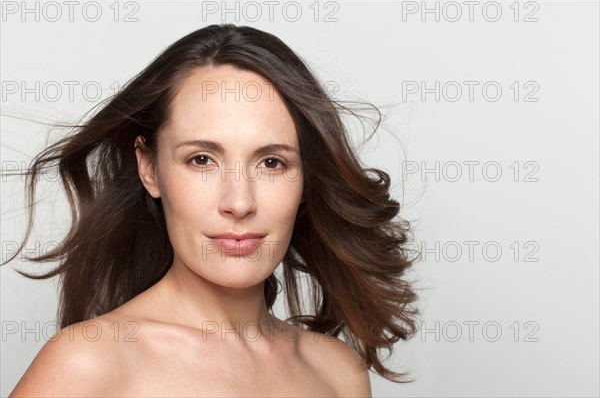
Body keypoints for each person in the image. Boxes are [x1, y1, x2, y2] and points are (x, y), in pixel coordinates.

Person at [3, 24, 419, 397]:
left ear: (306, 178)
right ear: (149, 168)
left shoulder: (336, 373)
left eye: (272, 163)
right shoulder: (88, 365)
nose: (239, 202)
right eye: (202, 160)